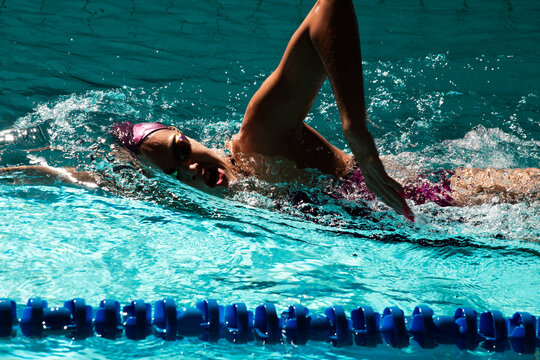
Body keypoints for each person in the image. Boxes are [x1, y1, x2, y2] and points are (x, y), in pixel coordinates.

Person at [2, 0, 539, 217]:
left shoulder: (258, 141)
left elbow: (327, 10)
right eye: (174, 171)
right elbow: (80, 178)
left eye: (183, 148)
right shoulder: (220, 207)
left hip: (453, 196)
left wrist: (357, 132)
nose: (191, 165)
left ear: (192, 136)